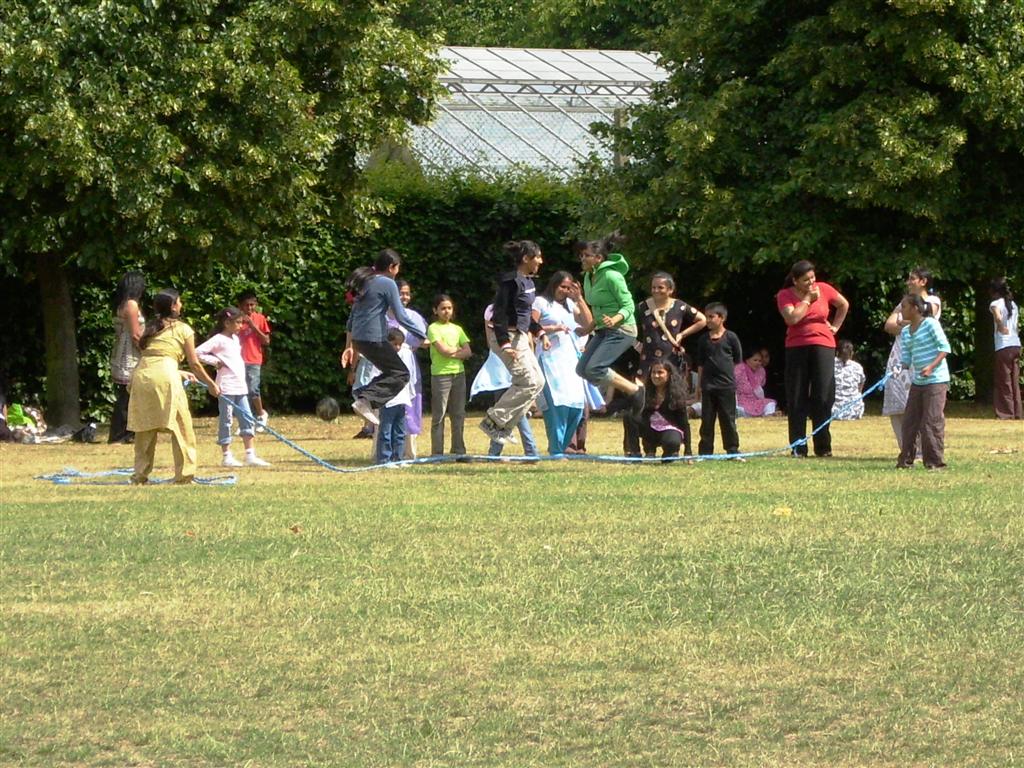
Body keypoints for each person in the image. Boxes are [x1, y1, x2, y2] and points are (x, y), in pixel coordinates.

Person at [127, 289, 220, 484]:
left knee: (145, 428)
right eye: (179, 302)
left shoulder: (151, 328)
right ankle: (184, 475)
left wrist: (178, 372)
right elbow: (194, 363)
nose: (181, 305)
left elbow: (155, 357)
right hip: (166, 377)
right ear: (173, 306)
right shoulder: (183, 329)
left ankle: (140, 475)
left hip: (142, 376)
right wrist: (211, 384)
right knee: (181, 427)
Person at [340, 249, 427, 425]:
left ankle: (365, 399)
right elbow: (401, 316)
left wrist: (349, 346)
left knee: (392, 372)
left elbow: (352, 317)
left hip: (360, 339)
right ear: (391, 267)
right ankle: (365, 401)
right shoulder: (387, 283)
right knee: (401, 373)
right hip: (374, 338)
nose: (397, 273)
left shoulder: (365, 282)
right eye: (397, 269)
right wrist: (421, 335)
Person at [776, 260, 849, 457]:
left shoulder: (824, 288)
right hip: (796, 346)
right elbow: (792, 318)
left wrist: (835, 327)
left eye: (812, 278)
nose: (811, 282)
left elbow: (843, 304)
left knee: (823, 396)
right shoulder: (785, 295)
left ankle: (823, 446)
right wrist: (808, 299)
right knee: (797, 396)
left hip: (824, 345)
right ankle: (799, 447)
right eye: (805, 280)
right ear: (795, 280)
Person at [479, 240, 547, 445]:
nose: (541, 261)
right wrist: (504, 343)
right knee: (527, 382)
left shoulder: (529, 283)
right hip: (506, 337)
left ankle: (502, 426)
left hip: (520, 337)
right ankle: (494, 421)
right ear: (526, 259)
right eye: (538, 257)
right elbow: (498, 313)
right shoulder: (510, 282)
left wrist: (540, 332)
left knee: (538, 383)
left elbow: (525, 316)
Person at [574, 236, 646, 420]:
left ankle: (635, 391)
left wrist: (615, 319)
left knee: (595, 368)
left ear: (599, 258)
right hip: (603, 329)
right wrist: (587, 328)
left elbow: (629, 306)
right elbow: (598, 309)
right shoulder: (590, 277)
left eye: (586, 255)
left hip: (622, 330)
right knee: (582, 369)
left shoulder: (612, 276)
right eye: (581, 255)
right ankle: (634, 391)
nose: (582, 259)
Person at [532, 270, 600, 455]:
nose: (565, 291)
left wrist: (579, 299)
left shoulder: (570, 304)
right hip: (549, 359)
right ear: (554, 285)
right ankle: (556, 449)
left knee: (576, 406)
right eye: (562, 287)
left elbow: (589, 324)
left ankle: (563, 447)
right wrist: (552, 329)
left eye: (569, 288)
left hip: (570, 360)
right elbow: (530, 326)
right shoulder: (541, 302)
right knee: (557, 405)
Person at [195, 307, 271, 468]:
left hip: (240, 386)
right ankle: (226, 455)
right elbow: (197, 353)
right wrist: (215, 361)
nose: (240, 326)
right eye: (237, 323)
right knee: (226, 420)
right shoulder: (218, 339)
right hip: (226, 387)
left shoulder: (235, 339)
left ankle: (250, 454)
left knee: (247, 418)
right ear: (227, 323)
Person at [883, 268, 942, 448]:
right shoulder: (904, 303)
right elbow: (889, 325)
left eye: (912, 279)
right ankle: (906, 447)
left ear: (923, 281)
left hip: (919, 355)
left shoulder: (933, 301)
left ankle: (922, 448)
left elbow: (924, 318)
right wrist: (906, 322)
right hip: (899, 354)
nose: (908, 282)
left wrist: (902, 322)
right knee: (898, 403)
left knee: (917, 404)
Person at [896, 294, 951, 470]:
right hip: (918, 381)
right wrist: (900, 367)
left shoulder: (931, 324)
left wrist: (931, 367)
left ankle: (935, 462)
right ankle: (905, 461)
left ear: (915, 308)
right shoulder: (905, 331)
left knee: (931, 421)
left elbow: (944, 348)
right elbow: (906, 356)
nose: (901, 310)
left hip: (936, 380)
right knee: (909, 422)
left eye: (904, 307)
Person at [469, 335, 541, 461]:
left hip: (521, 361)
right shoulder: (495, 316)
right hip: (502, 366)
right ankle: (528, 451)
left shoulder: (522, 322)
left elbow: (528, 340)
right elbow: (491, 339)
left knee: (516, 410)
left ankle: (527, 451)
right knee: (510, 408)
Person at [695, 302, 743, 457]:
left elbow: (737, 360)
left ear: (721, 318)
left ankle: (732, 449)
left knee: (728, 419)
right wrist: (699, 387)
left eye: (711, 317)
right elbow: (700, 364)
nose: (708, 320)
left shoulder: (731, 337)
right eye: (706, 317)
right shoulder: (703, 340)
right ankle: (705, 452)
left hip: (726, 386)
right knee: (707, 420)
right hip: (708, 386)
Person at [426, 294, 471, 456]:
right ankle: (437, 452)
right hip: (440, 375)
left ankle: (458, 449)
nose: (446, 311)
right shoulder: (433, 328)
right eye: (443, 308)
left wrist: (455, 352)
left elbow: (468, 351)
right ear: (435, 310)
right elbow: (443, 351)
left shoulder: (457, 329)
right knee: (439, 414)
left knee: (458, 414)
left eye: (449, 308)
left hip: (459, 374)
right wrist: (457, 351)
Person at [392, 278, 429, 456]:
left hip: (408, 362)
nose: (405, 297)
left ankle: (409, 450)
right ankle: (385, 449)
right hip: (389, 362)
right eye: (401, 293)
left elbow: (424, 340)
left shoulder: (414, 317)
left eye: (407, 293)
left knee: (410, 404)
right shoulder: (385, 314)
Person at [108, 271, 146, 444]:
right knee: (127, 396)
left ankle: (126, 432)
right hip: (129, 355)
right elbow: (135, 334)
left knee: (127, 395)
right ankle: (120, 434)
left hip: (121, 352)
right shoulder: (131, 305)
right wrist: (147, 351)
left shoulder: (122, 303)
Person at [635, 360, 692, 460]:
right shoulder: (645, 392)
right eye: (653, 372)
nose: (656, 376)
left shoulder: (677, 395)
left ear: (669, 374)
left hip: (669, 429)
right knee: (629, 417)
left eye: (660, 372)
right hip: (650, 430)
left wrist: (688, 452)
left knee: (671, 442)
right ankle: (637, 452)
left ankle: (671, 452)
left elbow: (685, 424)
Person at [377, 328, 416, 464]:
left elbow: (411, 375)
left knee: (400, 431)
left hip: (402, 399)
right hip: (388, 400)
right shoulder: (381, 356)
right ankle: (384, 458)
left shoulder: (406, 354)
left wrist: (410, 394)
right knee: (386, 431)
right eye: (395, 344)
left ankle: (398, 458)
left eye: (400, 344)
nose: (398, 347)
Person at [236, 290, 272, 430]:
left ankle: (261, 414)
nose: (249, 308)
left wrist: (252, 325)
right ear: (240, 306)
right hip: (238, 360)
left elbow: (266, 341)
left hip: (254, 359)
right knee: (240, 391)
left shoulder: (260, 318)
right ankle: (245, 420)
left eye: (252, 305)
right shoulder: (236, 320)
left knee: (253, 389)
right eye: (246, 305)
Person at [989, 277, 1021, 419]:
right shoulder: (1013, 304)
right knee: (1014, 380)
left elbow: (997, 316)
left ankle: (1006, 413)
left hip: (1003, 345)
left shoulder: (995, 303)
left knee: (1003, 380)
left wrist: (1001, 326)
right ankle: (1018, 411)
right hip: (1015, 344)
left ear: (994, 291)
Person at [734, 349, 777, 417]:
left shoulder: (761, 370)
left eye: (760, 361)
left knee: (770, 403)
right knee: (738, 410)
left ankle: (768, 415)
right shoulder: (739, 368)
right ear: (747, 360)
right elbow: (732, 384)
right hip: (741, 402)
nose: (758, 363)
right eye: (755, 360)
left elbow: (761, 385)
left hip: (755, 401)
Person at [832, 340, 866, 420]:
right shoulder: (857, 367)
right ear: (852, 353)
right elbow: (861, 384)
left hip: (834, 411)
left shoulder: (829, 364)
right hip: (854, 411)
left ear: (837, 352)